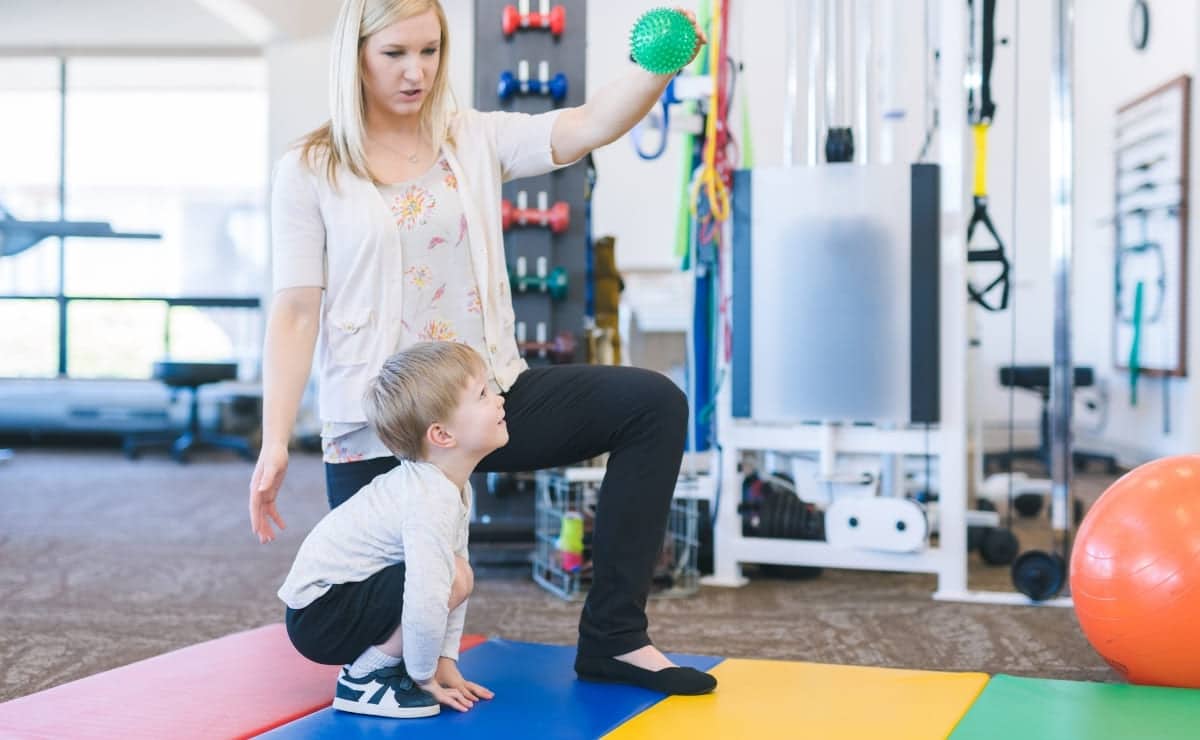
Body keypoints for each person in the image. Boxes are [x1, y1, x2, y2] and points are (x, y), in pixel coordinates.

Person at [250, 0, 716, 696]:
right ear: (355, 56)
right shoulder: (312, 167)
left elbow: (585, 125)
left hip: (486, 394)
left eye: (430, 52)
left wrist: (658, 66)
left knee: (652, 405)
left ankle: (616, 639)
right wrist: (276, 438)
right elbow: (294, 311)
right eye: (395, 54)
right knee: (376, 608)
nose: (417, 72)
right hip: (386, 425)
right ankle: (395, 665)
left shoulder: (469, 138)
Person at [279, 341, 501, 718]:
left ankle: (387, 664)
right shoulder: (428, 498)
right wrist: (424, 675)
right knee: (444, 578)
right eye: (482, 395)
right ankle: (364, 678)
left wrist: (445, 659)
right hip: (320, 617)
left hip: (338, 603)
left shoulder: (448, 486)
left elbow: (455, 574)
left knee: (456, 572)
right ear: (442, 435)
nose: (498, 400)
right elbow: (428, 595)